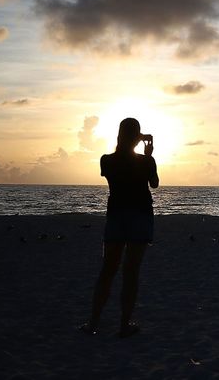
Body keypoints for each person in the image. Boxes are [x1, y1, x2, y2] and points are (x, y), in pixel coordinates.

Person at [81, 118, 159, 338]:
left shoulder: (107, 160)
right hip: (141, 216)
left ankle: (93, 322)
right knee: (131, 273)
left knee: (108, 270)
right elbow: (154, 184)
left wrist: (136, 144)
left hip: (116, 215)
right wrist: (149, 154)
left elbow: (116, 173)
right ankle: (124, 325)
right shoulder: (146, 162)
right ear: (137, 137)